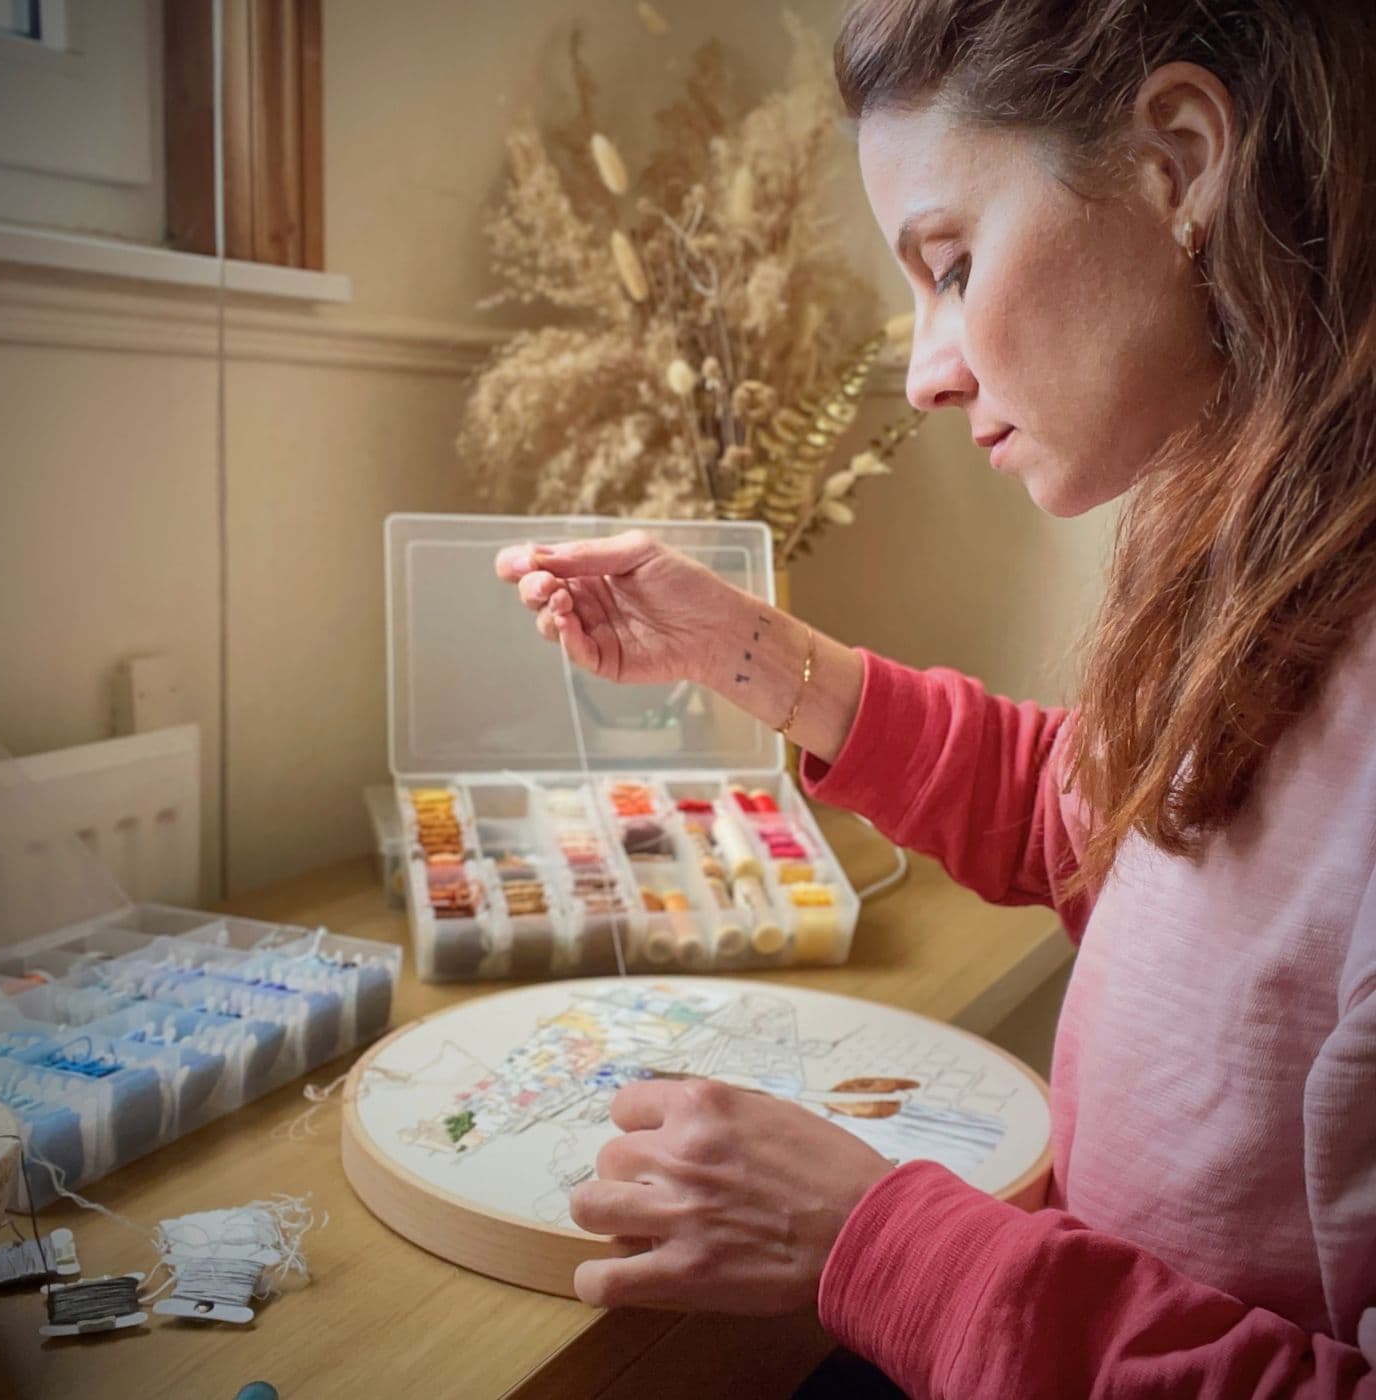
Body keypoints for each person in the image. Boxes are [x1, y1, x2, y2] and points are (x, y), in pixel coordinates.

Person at [494, 0, 1376, 1393]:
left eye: (953, 266)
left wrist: (877, 1241)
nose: (922, 372)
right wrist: (749, 652)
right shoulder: (1255, 543)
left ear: (1181, 161)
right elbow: (1098, 819)